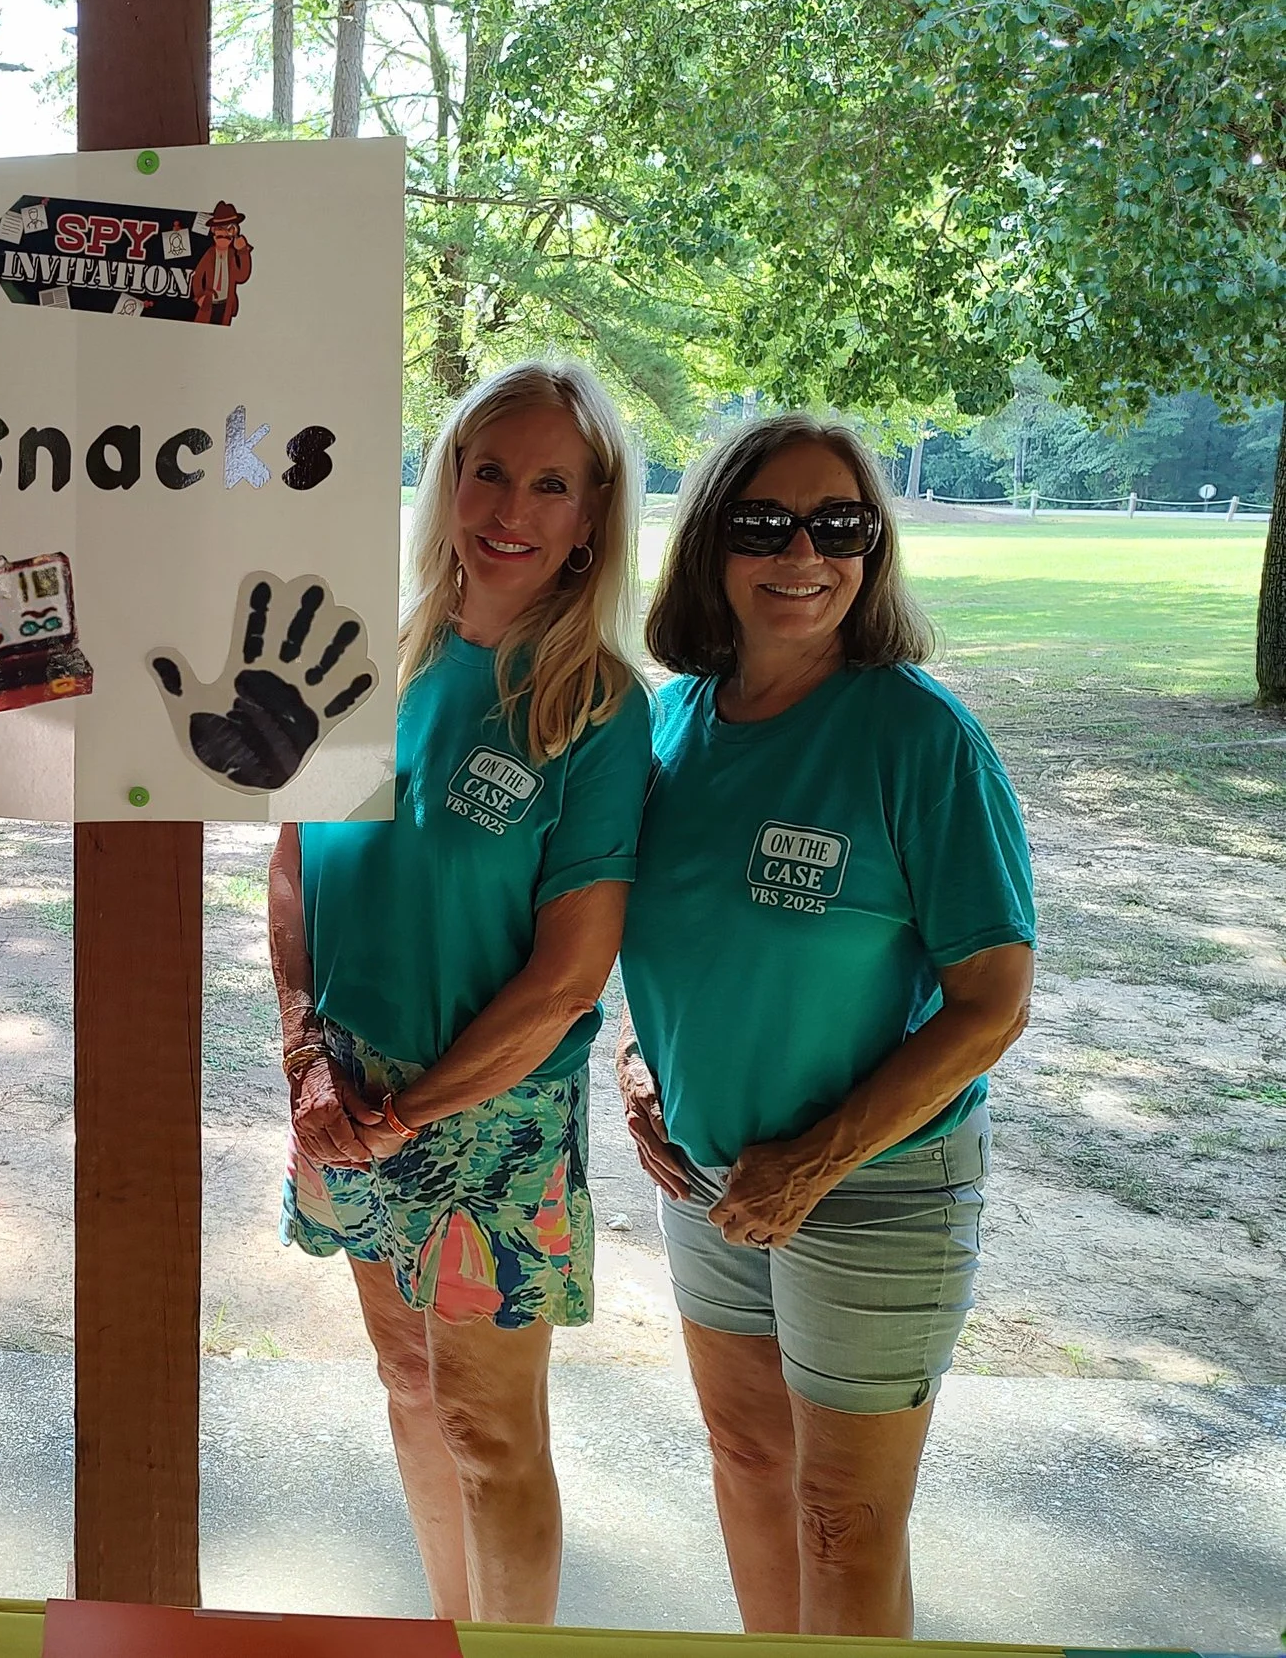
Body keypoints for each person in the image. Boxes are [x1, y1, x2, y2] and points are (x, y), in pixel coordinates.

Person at [618, 416, 1035, 1637]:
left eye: (839, 526)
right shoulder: (671, 725)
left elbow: (991, 1004)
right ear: (709, 546)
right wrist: (652, 1062)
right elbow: (678, 937)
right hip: (709, 1175)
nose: (804, 553)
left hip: (876, 1183)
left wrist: (812, 1163)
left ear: (873, 548)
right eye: (763, 524)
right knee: (747, 1465)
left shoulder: (920, 739)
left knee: (842, 1519)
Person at [269, 357, 649, 1622]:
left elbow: (567, 979)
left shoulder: (591, 705)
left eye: (553, 482)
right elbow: (292, 865)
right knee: (405, 1383)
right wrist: (307, 1057)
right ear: (446, 479)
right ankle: (447, 1638)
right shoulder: (373, 651)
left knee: (490, 1431)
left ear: (592, 516)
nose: (512, 505)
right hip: (340, 1090)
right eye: (488, 468)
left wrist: (409, 1110)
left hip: (485, 1125)